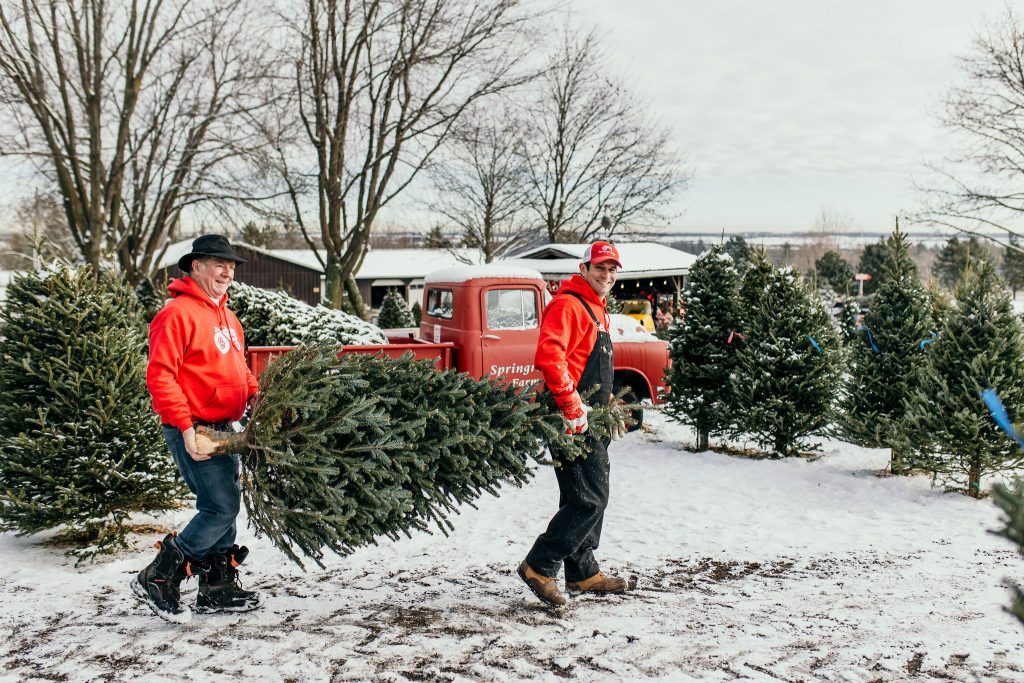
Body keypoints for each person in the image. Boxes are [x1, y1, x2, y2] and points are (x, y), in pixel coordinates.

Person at [131, 234, 263, 623]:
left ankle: (217, 587)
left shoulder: (229, 318)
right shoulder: (176, 315)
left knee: (224, 502)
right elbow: (161, 376)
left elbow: (239, 370)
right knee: (220, 506)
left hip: (224, 425)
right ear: (196, 266)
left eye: (231, 266)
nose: (227, 272)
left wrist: (256, 397)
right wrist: (185, 427)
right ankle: (158, 576)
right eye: (218, 264)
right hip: (194, 427)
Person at [518, 240, 630, 607]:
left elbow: (586, 363)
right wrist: (570, 404)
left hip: (592, 417)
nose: (606, 275)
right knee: (590, 500)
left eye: (612, 270)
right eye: (600, 268)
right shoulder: (568, 305)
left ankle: (582, 572)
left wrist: (607, 403)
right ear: (583, 269)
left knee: (580, 495)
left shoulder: (598, 310)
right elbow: (550, 356)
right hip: (571, 418)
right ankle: (539, 565)